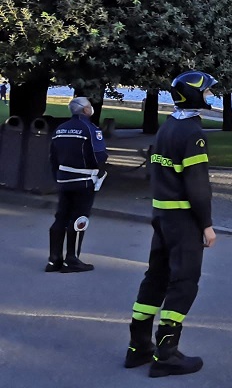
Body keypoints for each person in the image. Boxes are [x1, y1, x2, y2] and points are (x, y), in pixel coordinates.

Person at [124, 70, 218, 377]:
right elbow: (197, 185)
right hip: (183, 220)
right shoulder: (193, 133)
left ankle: (138, 347)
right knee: (184, 283)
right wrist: (206, 224)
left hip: (161, 216)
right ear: (194, 95)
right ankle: (166, 354)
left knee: (155, 278)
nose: (209, 96)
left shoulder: (167, 128)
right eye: (205, 92)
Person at [46, 96, 107, 273]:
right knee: (79, 218)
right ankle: (71, 259)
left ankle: (53, 259)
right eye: (89, 106)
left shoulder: (60, 129)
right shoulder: (90, 129)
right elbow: (99, 156)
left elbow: (53, 158)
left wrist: (57, 177)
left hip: (63, 179)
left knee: (61, 217)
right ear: (85, 110)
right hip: (84, 180)